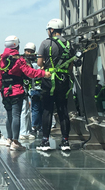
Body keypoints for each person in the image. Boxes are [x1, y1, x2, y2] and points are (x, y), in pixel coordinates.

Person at [0, 36, 51, 151]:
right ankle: (15, 142)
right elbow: (29, 72)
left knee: (9, 116)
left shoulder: (2, 60)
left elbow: (0, 78)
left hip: (5, 91)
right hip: (16, 90)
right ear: (16, 45)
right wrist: (43, 73)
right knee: (16, 115)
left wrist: (2, 90)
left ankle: (9, 139)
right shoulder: (18, 59)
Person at [36, 19, 75, 151]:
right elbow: (70, 66)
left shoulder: (45, 43)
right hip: (64, 80)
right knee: (63, 109)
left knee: (47, 110)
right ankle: (65, 141)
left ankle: (45, 141)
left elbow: (40, 63)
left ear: (51, 30)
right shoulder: (70, 44)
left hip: (49, 80)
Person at [20, 42, 39, 139]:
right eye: (28, 51)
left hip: (26, 88)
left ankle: (27, 130)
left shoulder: (29, 61)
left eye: (31, 52)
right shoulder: (24, 61)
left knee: (26, 109)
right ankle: (24, 132)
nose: (29, 53)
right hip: (22, 87)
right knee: (24, 110)